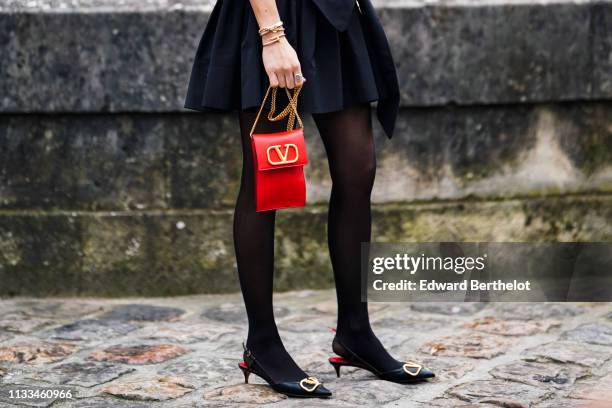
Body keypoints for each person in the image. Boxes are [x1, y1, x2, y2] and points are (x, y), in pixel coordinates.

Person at [185, 0, 434, 398]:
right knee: (266, 176)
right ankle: (262, 344)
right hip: (272, 18)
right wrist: (272, 34)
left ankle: (355, 332)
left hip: (335, 19)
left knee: (358, 171)